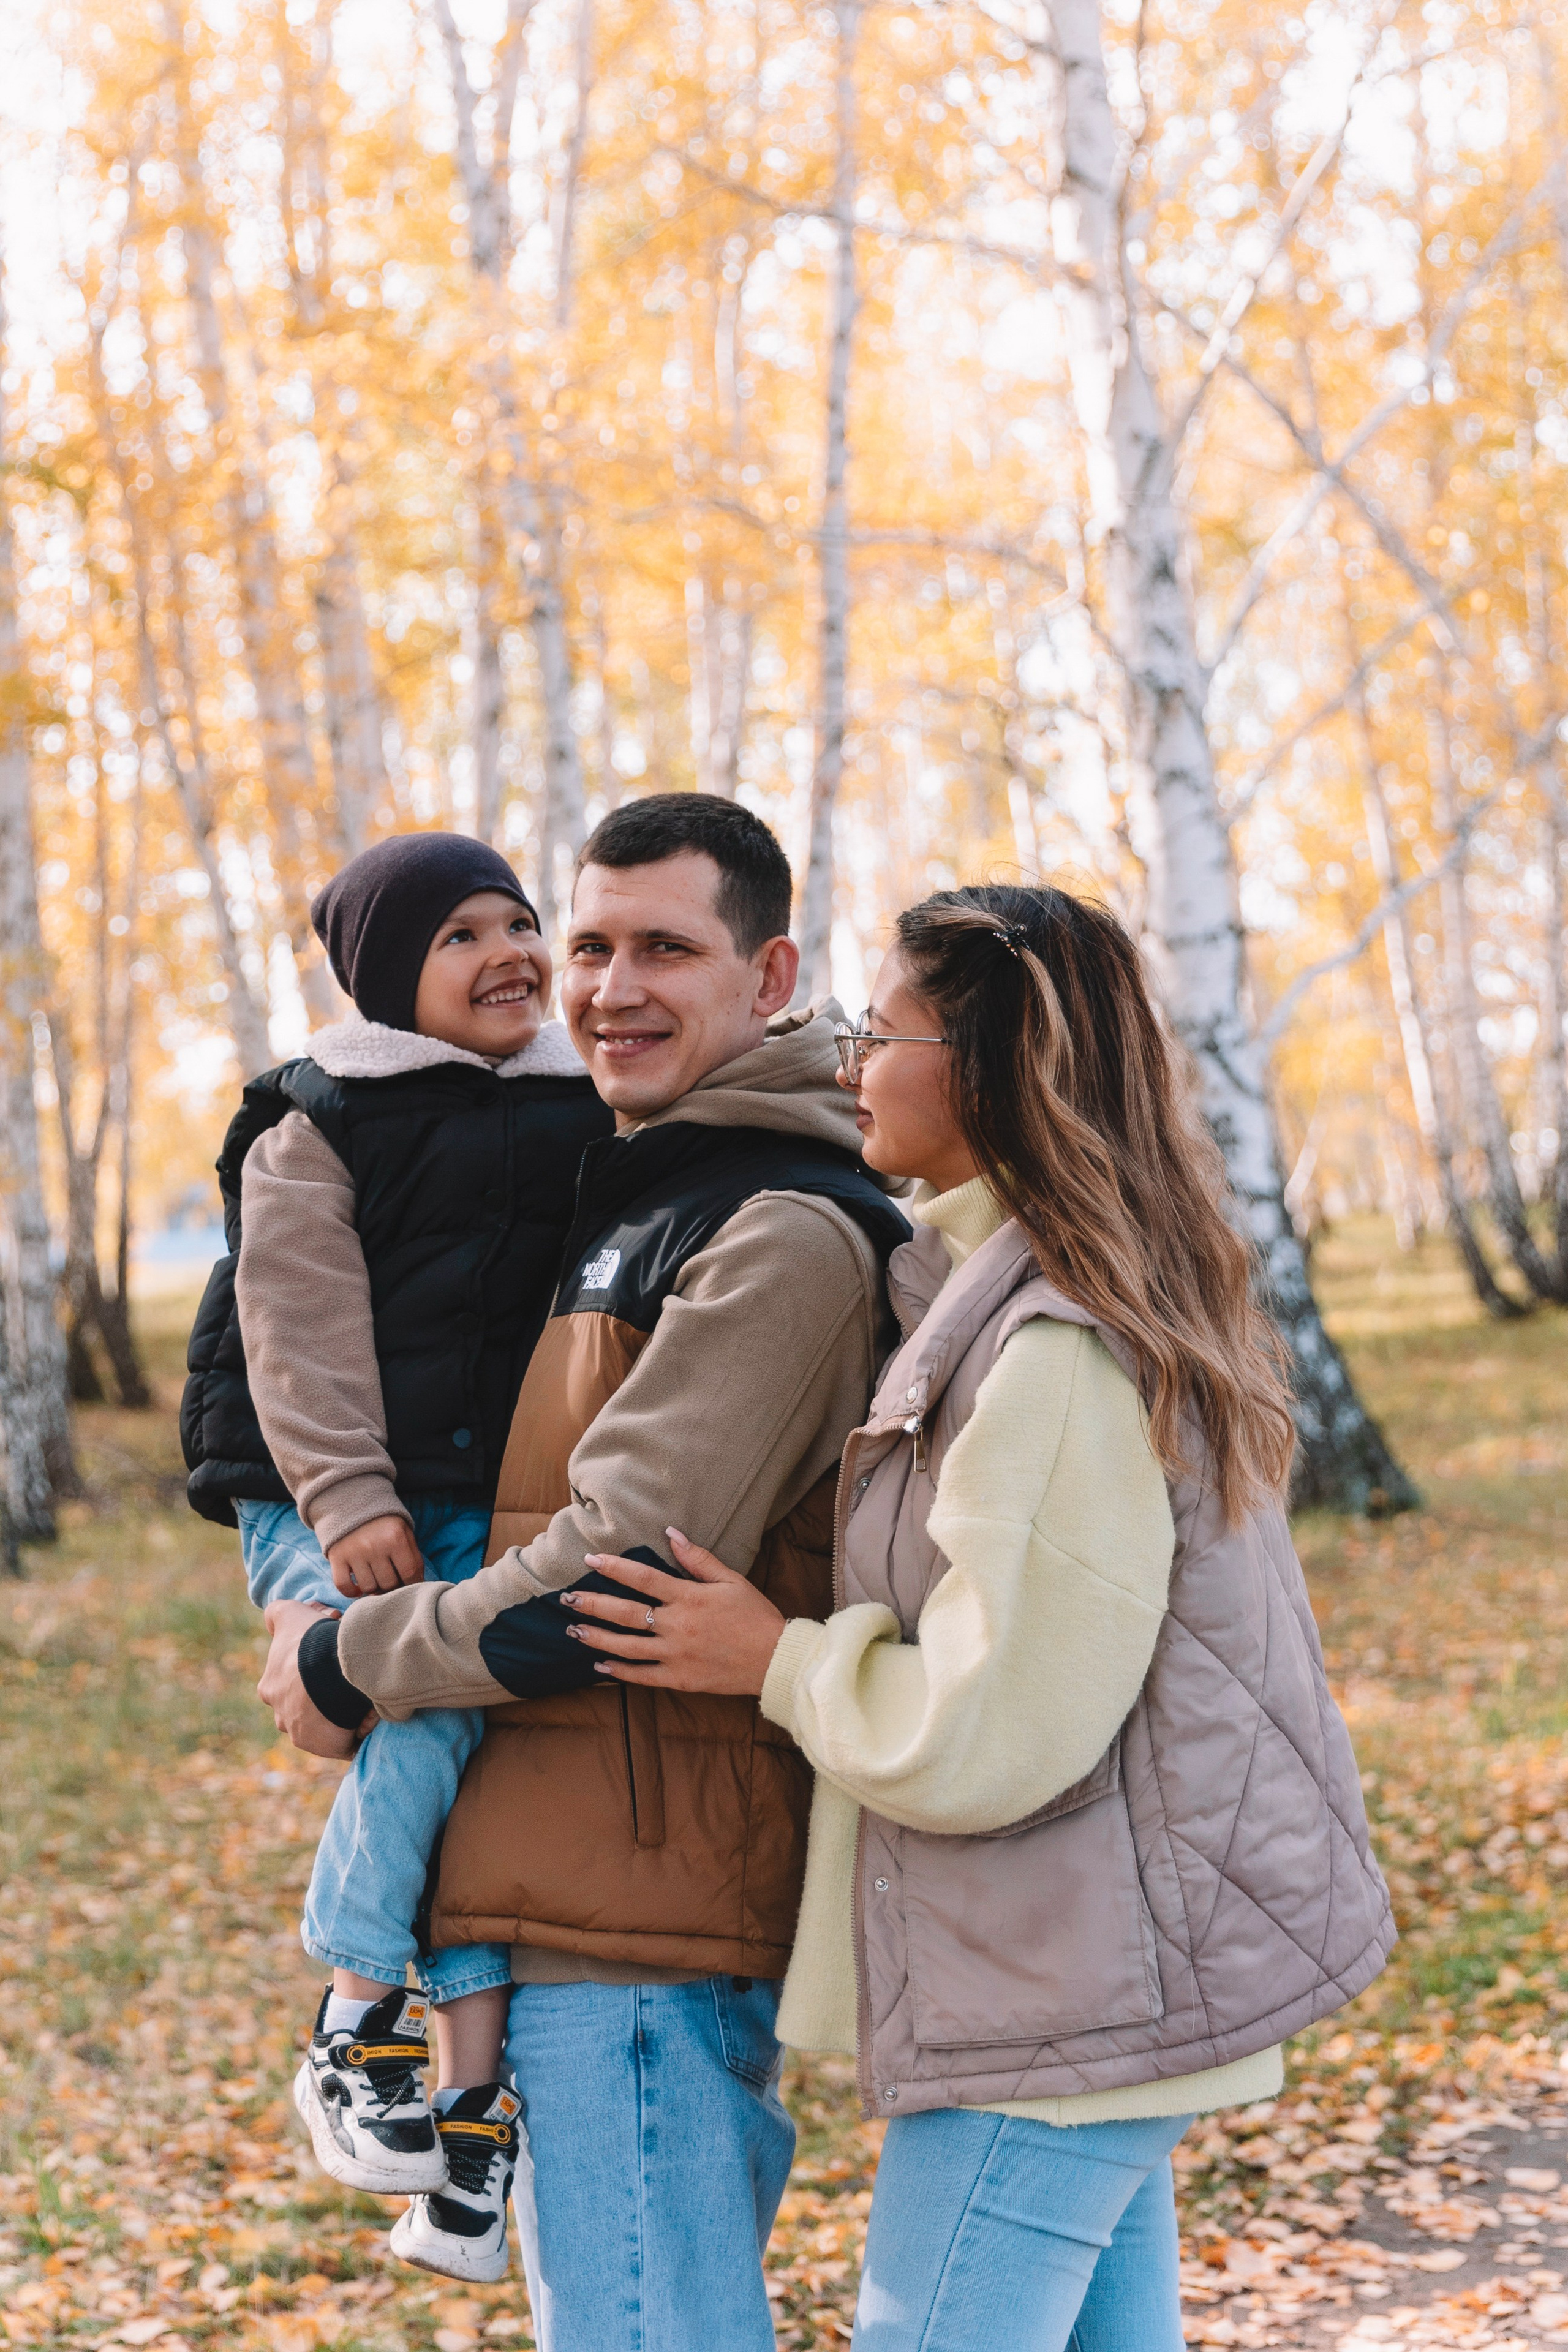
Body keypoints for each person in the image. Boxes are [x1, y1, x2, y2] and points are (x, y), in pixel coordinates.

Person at [560, 881, 1396, 2350]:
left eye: (880, 1036)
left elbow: (992, 1718)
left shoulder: (1047, 1355)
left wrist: (776, 1662)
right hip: (1087, 1978)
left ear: (990, 1072)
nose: (848, 1065)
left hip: (1068, 1997)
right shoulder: (1009, 1296)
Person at [258, 794, 911, 2351]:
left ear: (768, 977)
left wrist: (349, 1658)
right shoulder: (624, 1181)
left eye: (663, 950)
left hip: (636, 1921)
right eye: (593, 945)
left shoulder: (777, 1224)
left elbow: (602, 1575)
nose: (609, 988)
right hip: (568, 1886)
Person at [183, 832, 612, 2282]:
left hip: (461, 1491)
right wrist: (348, 1498)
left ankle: (468, 2130)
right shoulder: (321, 1112)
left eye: (518, 921)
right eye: (459, 936)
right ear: (384, 979)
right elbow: (294, 1329)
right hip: (317, 1488)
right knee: (423, 1710)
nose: (507, 953)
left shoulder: (572, 1097)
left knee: (465, 1766)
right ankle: (352, 2020)